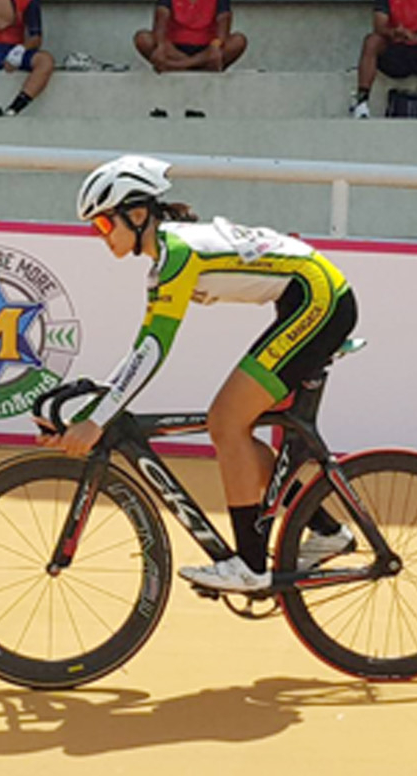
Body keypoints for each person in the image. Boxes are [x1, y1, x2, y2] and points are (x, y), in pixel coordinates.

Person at [53, 155, 359, 593]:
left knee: (227, 421)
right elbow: (143, 348)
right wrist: (94, 412)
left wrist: (98, 419)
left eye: (104, 224)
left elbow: (153, 351)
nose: (100, 235)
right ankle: (325, 530)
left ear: (137, 214)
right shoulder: (167, 255)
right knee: (229, 426)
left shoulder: (177, 254)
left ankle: (250, 566)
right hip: (307, 297)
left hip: (319, 301)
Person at [133, 0, 249, 74]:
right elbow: (160, 23)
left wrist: (216, 45)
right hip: (175, 49)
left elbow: (223, 28)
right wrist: (161, 46)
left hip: (207, 48)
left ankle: (176, 67)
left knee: (238, 41)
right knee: (143, 38)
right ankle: (199, 68)